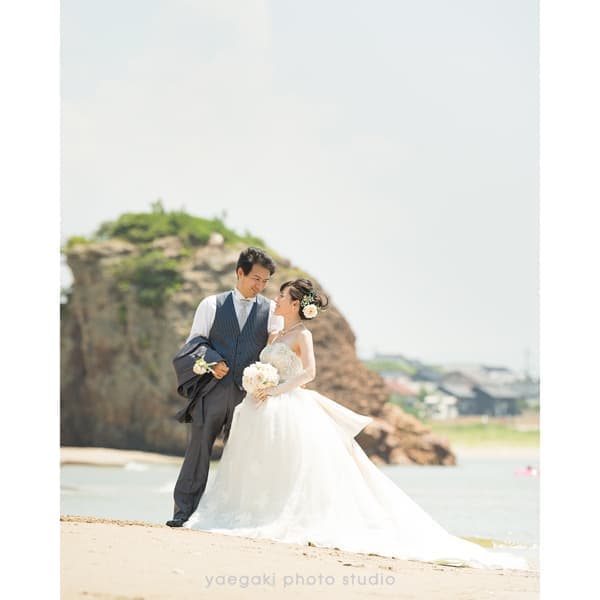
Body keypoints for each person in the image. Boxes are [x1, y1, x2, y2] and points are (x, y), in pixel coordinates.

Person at [184, 278, 529, 570]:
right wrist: (258, 382)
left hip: (287, 403)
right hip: (259, 406)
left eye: (281, 296)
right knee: (260, 465)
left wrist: (275, 389)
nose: (275, 299)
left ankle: (281, 516)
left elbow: (309, 373)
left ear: (295, 304)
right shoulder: (274, 335)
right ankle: (253, 512)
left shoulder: (302, 335)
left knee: (293, 467)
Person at [166, 247, 283, 527]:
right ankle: (183, 513)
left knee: (243, 458)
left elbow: (275, 348)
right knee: (198, 452)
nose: (260, 286)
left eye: (265, 281)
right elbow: (194, 343)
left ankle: (235, 517)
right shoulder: (211, 305)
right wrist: (213, 361)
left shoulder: (270, 311)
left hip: (249, 397)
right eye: (256, 278)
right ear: (240, 272)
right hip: (212, 392)